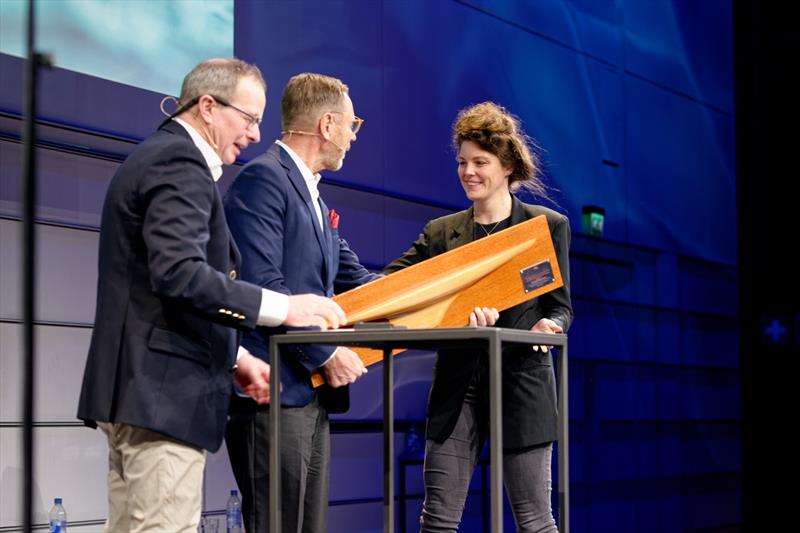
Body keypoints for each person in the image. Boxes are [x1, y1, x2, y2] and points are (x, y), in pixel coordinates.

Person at [76, 59, 346, 533]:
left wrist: (236, 356)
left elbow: (167, 292)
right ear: (207, 106)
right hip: (162, 397)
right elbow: (180, 274)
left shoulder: (162, 157)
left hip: (143, 394)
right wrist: (284, 307)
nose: (257, 134)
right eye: (249, 118)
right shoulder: (180, 161)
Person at [384, 102, 573, 532]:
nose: (468, 171)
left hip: (523, 385)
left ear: (507, 165)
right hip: (458, 390)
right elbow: (391, 284)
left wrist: (551, 326)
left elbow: (560, 306)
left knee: (535, 520)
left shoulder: (545, 227)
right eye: (462, 162)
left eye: (480, 162)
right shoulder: (440, 233)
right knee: (437, 522)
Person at [223, 72, 380, 533]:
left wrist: (446, 290)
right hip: (272, 395)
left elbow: (361, 281)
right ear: (328, 124)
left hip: (309, 396)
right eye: (352, 126)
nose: (353, 138)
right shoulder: (263, 180)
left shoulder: (310, 192)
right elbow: (262, 285)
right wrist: (327, 353)